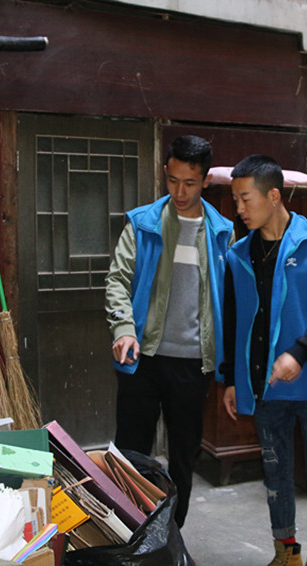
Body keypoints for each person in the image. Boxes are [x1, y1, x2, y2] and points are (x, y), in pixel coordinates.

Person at [221, 155, 307, 566]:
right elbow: (232, 319)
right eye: (236, 200)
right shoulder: (238, 254)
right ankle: (286, 551)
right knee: (275, 473)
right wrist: (230, 377)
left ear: (273, 196)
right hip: (266, 385)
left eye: (246, 199)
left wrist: (299, 352)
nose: (239, 209)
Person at [104, 134, 234, 528]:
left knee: (183, 457)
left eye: (190, 183)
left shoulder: (221, 232)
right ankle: (129, 533)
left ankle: (171, 536)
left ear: (206, 180)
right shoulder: (143, 223)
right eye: (173, 180)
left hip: (193, 364)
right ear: (165, 172)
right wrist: (124, 329)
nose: (180, 192)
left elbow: (231, 299)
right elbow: (117, 280)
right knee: (131, 454)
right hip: (142, 358)